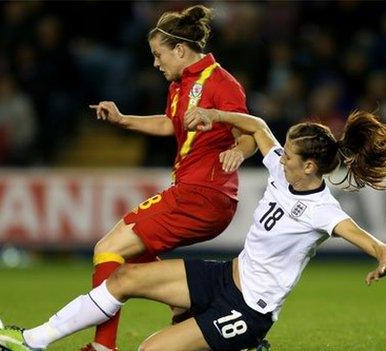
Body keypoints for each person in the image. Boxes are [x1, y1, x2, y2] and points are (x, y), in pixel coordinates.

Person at [0, 108, 386, 351]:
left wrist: (385, 259)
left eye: (289, 155)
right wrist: (215, 115)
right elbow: (256, 126)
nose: (279, 157)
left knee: (148, 350)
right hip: (224, 276)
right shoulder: (279, 167)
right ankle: (33, 340)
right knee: (123, 277)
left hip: (248, 310)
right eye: (283, 151)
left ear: (310, 166)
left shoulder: (324, 211)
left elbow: (376, 244)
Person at [83, 5, 257, 350]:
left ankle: (103, 346)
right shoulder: (180, 84)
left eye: (158, 54)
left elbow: (249, 131)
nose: (155, 63)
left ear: (180, 50)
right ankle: (187, 302)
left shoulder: (222, 83)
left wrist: (241, 150)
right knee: (125, 254)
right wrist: (122, 120)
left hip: (205, 193)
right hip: (191, 190)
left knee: (108, 248)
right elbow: (169, 123)